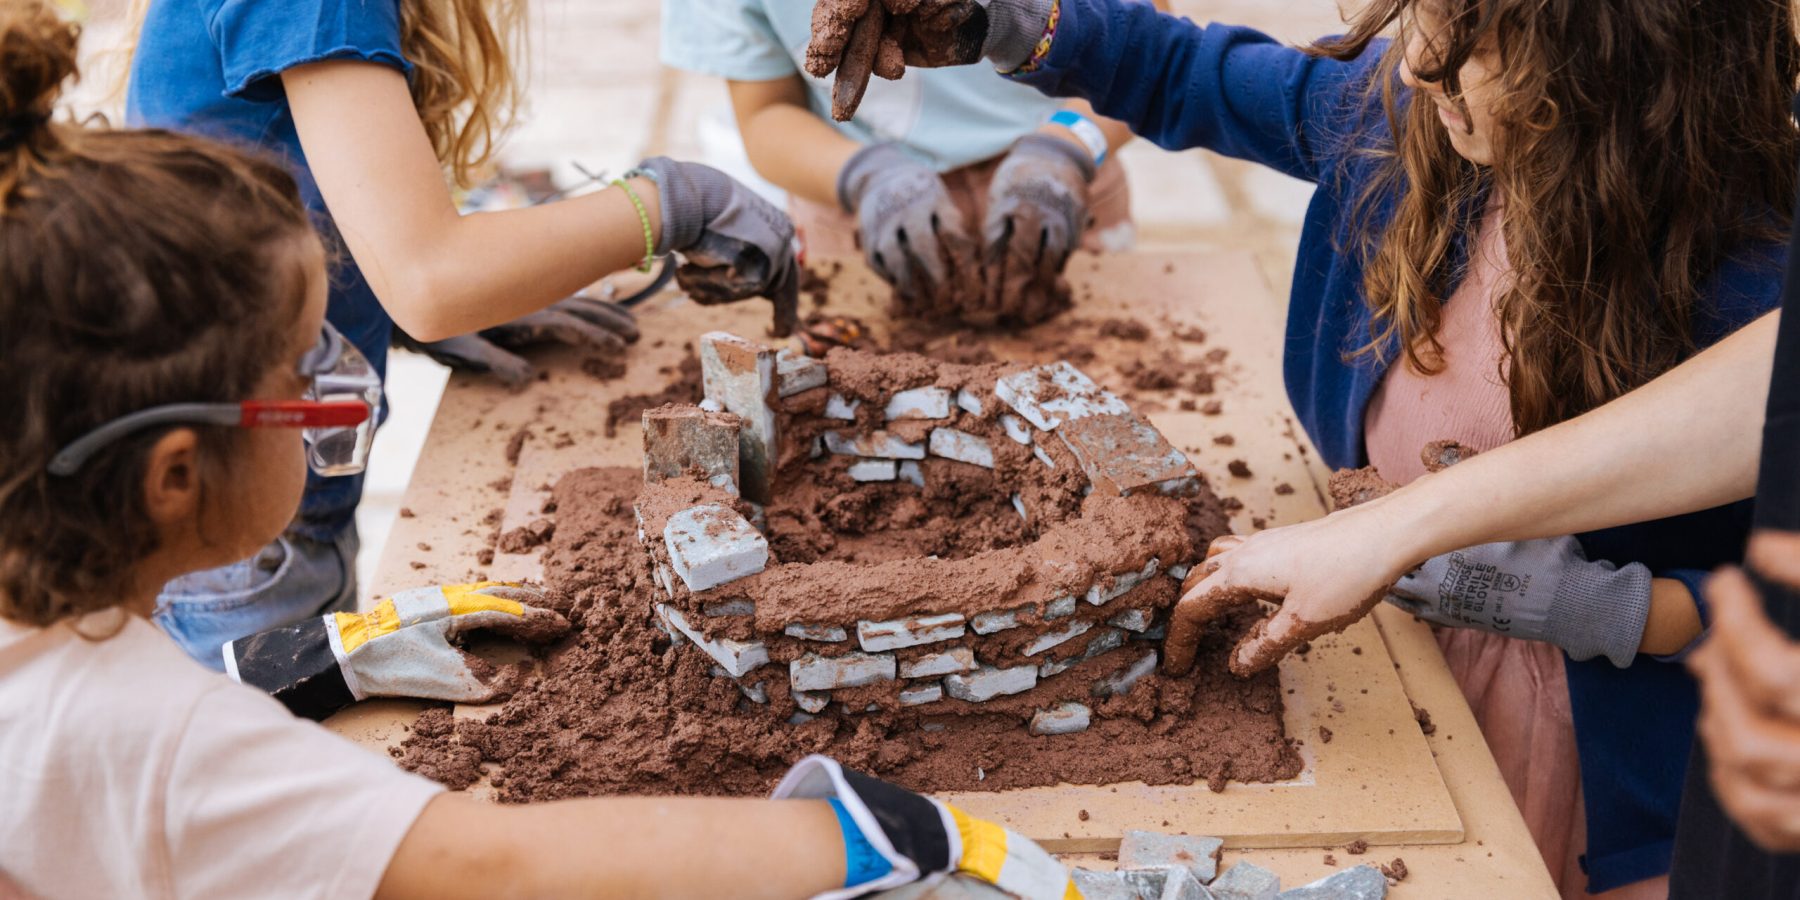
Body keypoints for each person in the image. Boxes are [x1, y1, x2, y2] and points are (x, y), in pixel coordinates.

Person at [0, 9, 1074, 897]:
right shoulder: (169, 749)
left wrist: (284, 667)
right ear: (177, 475)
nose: (337, 393)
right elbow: (486, 862)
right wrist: (854, 838)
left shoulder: (62, 651)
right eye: (301, 377)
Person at [878, 0, 1795, 894]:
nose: (1420, 60)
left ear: (1625, 72)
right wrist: (1014, 23)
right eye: (1426, 13)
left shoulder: (1752, 278)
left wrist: (1613, 610)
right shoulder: (1401, 123)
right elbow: (1183, 71)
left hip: (1587, 736)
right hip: (1363, 630)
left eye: (1481, 40)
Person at [126, 0, 802, 670]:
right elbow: (432, 277)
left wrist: (404, 304)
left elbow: (278, 196)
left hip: (272, 502)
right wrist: (676, 203)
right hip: (238, 538)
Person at [661, 0, 1162, 326]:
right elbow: (768, 112)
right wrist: (868, 177)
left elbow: (1148, 44)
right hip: (860, 208)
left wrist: (1067, 147)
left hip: (1068, 179)